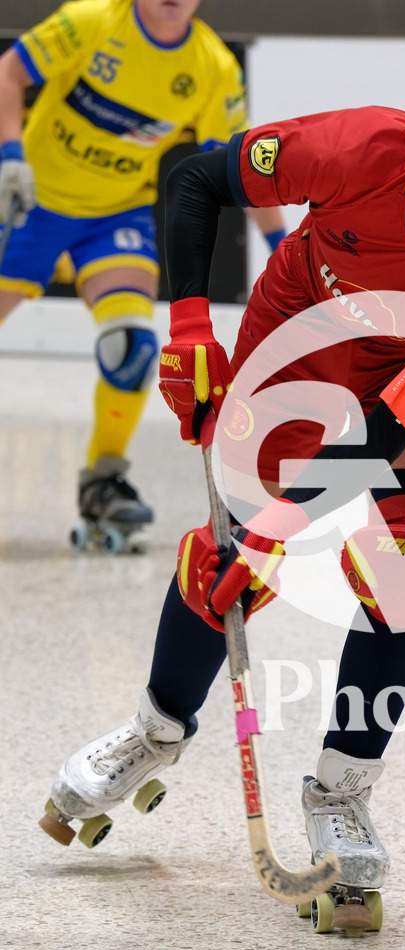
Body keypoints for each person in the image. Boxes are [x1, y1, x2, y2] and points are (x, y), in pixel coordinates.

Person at [41, 54, 405, 894]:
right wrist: (188, 330)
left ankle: (343, 792)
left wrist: (279, 525)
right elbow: (192, 182)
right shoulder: (354, 149)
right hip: (299, 340)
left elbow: (398, 420)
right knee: (225, 568)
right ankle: (154, 730)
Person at [0, 0, 285, 545]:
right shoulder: (91, 21)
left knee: (131, 348)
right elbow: (9, 72)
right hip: (32, 201)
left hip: (115, 218)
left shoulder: (211, 67)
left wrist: (282, 247)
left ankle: (103, 480)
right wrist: (11, 154)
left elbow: (239, 168)